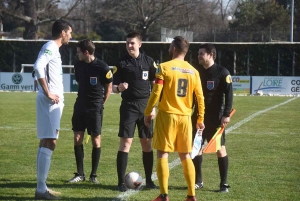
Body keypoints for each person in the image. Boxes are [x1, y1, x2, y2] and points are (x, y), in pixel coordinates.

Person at [144, 36, 205, 201]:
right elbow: (200, 97)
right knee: (185, 156)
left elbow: (156, 92)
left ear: (175, 49)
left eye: (170, 46)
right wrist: (200, 118)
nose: (169, 48)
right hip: (185, 118)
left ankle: (164, 195)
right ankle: (191, 195)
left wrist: (148, 111)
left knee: (162, 154)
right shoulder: (194, 71)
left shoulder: (164, 67)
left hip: (167, 116)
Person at [112, 31, 158, 192]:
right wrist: (119, 88)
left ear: (140, 44)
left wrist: (153, 107)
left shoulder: (149, 62)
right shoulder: (120, 63)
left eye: (132, 43)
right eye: (127, 43)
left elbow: (155, 87)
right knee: (126, 143)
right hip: (129, 107)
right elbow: (113, 87)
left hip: (146, 107)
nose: (129, 46)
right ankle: (120, 182)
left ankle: (150, 181)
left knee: (147, 144)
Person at [34, 19, 72, 200]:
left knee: (46, 142)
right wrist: (48, 93)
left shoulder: (52, 48)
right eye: (70, 32)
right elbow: (38, 67)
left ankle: (42, 186)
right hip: (51, 102)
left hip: (52, 102)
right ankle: (41, 190)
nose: (71, 36)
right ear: (63, 32)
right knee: (50, 142)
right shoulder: (50, 46)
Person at [67, 39, 112, 184]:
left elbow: (109, 87)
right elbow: (80, 82)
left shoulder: (103, 67)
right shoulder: (77, 64)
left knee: (96, 140)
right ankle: (80, 173)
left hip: (95, 107)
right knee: (77, 138)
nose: (77, 54)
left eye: (79, 52)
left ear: (86, 52)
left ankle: (93, 175)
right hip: (80, 105)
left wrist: (101, 103)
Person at [191, 43, 233, 193]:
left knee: (220, 150)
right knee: (196, 149)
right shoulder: (196, 72)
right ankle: (198, 181)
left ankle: (223, 184)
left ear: (211, 55)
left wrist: (226, 114)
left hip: (216, 118)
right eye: (198, 53)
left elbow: (229, 96)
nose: (199, 56)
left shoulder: (223, 72)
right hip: (198, 117)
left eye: (202, 53)